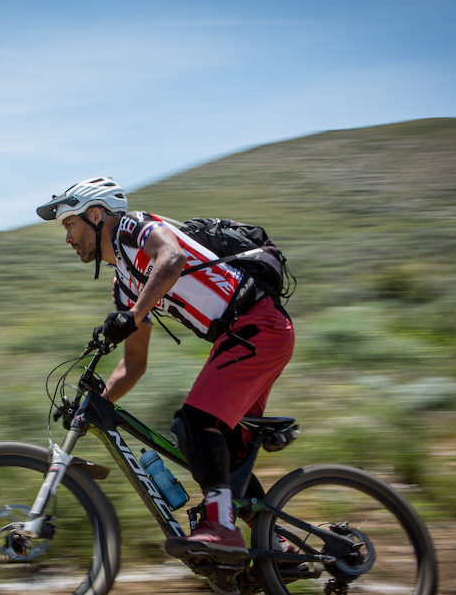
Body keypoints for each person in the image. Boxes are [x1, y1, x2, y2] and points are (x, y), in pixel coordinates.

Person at [36, 176, 295, 551]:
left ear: (96, 215)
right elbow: (134, 363)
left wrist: (134, 315)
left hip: (258, 325)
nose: (68, 238)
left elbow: (172, 258)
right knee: (207, 443)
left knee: (194, 422)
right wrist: (94, 404)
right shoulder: (124, 283)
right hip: (240, 337)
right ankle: (276, 542)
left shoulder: (133, 227)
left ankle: (221, 528)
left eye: (70, 224)